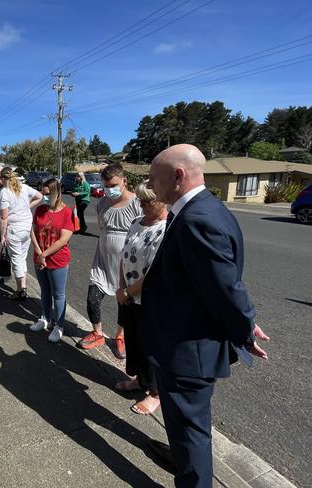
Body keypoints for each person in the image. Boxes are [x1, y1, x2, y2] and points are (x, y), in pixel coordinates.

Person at [143, 144, 270, 487]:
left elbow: (227, 289)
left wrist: (244, 329)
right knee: (185, 425)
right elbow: (215, 282)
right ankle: (182, 457)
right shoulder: (207, 207)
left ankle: (193, 474)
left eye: (155, 179)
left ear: (178, 176)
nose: (151, 187)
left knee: (191, 427)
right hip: (184, 339)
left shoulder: (197, 219)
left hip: (187, 349)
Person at [78, 163, 141, 359]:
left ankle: (120, 337)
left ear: (124, 181)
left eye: (113, 185)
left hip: (126, 264)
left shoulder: (136, 203)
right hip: (102, 260)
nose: (109, 190)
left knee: (125, 303)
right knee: (92, 299)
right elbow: (103, 228)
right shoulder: (102, 203)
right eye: (106, 186)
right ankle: (98, 333)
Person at [114, 181, 167, 415]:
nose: (142, 205)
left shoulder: (165, 229)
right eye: (140, 201)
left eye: (148, 201)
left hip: (148, 299)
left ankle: (155, 393)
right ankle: (140, 380)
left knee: (151, 347)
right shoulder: (136, 223)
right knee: (134, 341)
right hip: (128, 295)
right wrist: (121, 288)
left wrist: (128, 292)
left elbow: (154, 273)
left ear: (163, 200)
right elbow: (124, 256)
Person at [29, 178, 74, 343]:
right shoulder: (40, 209)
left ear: (57, 193)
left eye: (48, 194)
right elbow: (32, 230)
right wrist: (38, 251)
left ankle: (59, 325)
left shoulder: (67, 212)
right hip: (39, 257)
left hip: (57, 259)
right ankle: (45, 318)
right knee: (45, 290)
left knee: (59, 294)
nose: (44, 197)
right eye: (43, 193)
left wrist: (44, 254)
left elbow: (63, 239)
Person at [0, 167, 43, 300]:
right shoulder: (24, 187)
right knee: (22, 257)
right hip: (26, 227)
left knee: (17, 260)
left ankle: (20, 290)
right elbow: (39, 196)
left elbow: (4, 217)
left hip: (15, 229)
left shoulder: (4, 192)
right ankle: (23, 286)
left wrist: (2, 235)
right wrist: (25, 207)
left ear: (2, 178)